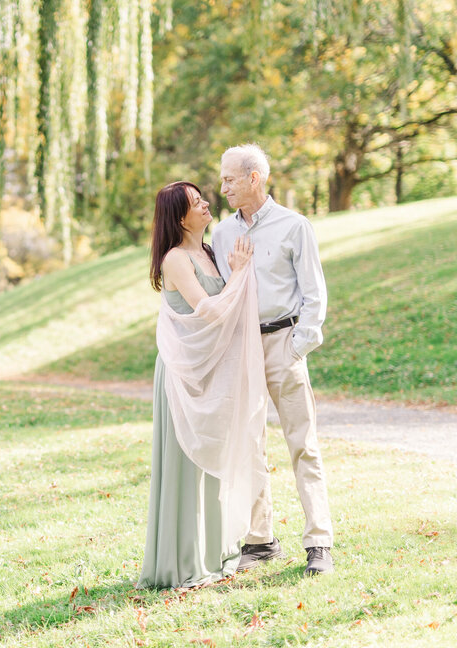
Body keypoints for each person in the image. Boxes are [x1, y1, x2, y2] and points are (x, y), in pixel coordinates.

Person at [211, 143, 335, 576]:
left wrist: (297, 345)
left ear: (253, 179)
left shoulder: (294, 226)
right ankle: (260, 539)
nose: (222, 186)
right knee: (249, 445)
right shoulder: (223, 235)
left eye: (229, 179)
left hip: (284, 341)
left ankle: (319, 540)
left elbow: (314, 292)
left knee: (303, 443)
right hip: (242, 348)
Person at [139, 181, 269, 589]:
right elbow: (210, 311)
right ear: (180, 217)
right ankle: (182, 562)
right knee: (185, 465)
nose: (207, 203)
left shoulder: (209, 252)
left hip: (209, 372)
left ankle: (214, 553)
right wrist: (242, 273)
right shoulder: (176, 259)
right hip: (183, 375)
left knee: (212, 455)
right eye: (197, 203)